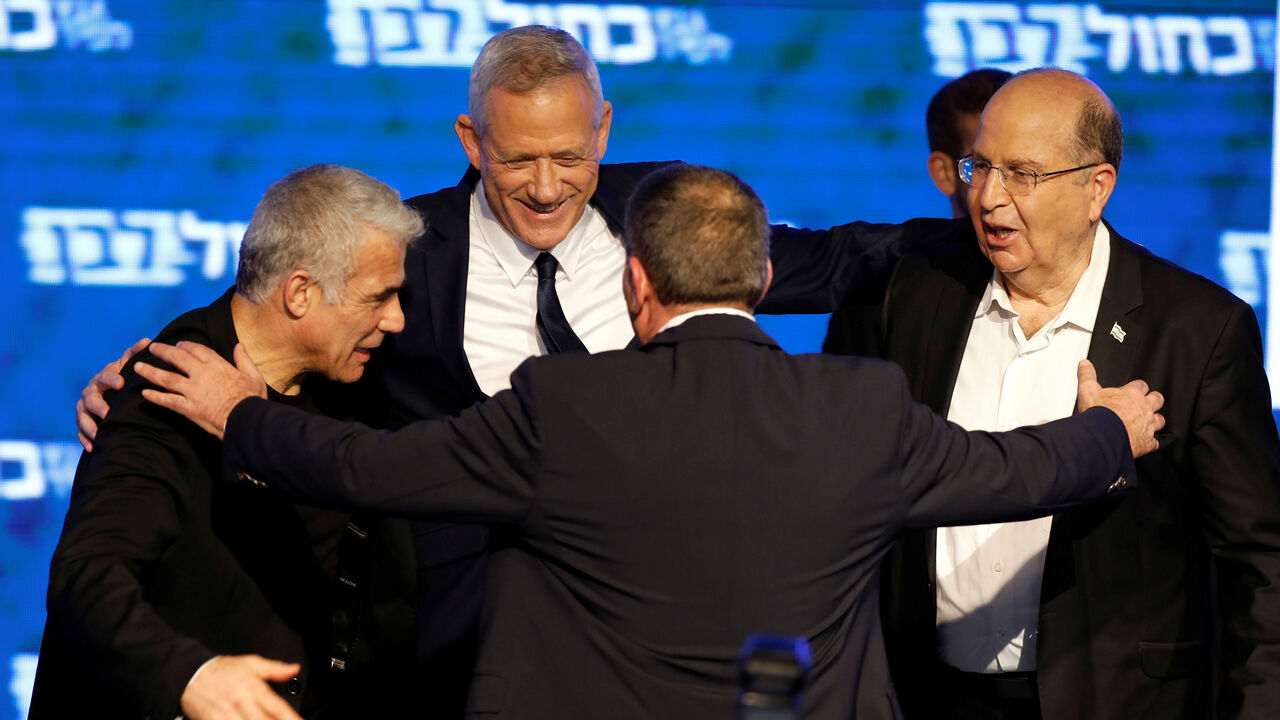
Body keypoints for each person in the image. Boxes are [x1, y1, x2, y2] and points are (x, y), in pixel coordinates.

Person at [76, 24, 937, 713]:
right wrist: (140, 377)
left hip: (642, 629)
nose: (547, 187)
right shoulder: (407, 252)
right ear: (472, 139)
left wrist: (1002, 229)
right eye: (519, 158)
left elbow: (851, 259)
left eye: (570, 156)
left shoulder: (663, 217)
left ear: (603, 128)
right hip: (445, 638)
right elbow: (284, 316)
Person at [137, 163, 1161, 719]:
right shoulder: (862, 409)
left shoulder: (561, 407)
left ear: (634, 281)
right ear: (762, 280)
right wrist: (1109, 432)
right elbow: (1018, 471)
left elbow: (363, 469)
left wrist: (237, 409)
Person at [847, 69, 1280, 719]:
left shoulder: (1197, 330)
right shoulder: (918, 296)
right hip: (923, 694)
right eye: (980, 167)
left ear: (1095, 187)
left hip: (1114, 700)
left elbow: (1260, 561)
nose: (989, 198)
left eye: (1023, 174)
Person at [32, 165, 422, 720]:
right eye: (378, 298)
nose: (398, 320)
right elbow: (86, 577)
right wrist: (189, 676)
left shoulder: (358, 375)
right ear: (300, 293)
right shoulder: (165, 393)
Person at [824, 68, 1010, 356]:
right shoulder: (879, 298)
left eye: (1024, 167)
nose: (1002, 191)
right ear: (944, 173)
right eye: (982, 166)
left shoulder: (1082, 281)